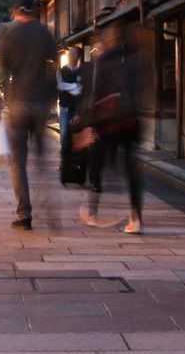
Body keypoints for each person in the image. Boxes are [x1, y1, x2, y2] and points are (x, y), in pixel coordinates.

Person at [0, 0, 57, 231]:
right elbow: (53, 68)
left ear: (16, 10)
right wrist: (52, 97)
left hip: (18, 102)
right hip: (40, 103)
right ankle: (51, 209)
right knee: (41, 158)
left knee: (18, 161)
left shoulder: (8, 33)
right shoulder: (45, 34)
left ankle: (24, 214)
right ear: (34, 10)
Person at [75, 24, 143, 234]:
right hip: (131, 120)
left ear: (107, 41)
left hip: (109, 121)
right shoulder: (134, 59)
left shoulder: (104, 61)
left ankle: (93, 213)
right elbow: (138, 90)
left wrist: (88, 125)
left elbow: (98, 95)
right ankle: (136, 217)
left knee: (96, 164)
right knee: (131, 169)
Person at [57, 46, 85, 153]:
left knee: (76, 134)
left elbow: (81, 89)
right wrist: (75, 86)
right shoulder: (61, 71)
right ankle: (64, 155)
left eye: (75, 53)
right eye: (71, 53)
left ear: (78, 56)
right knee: (64, 132)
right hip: (64, 108)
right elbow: (60, 86)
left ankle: (73, 157)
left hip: (77, 108)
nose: (73, 55)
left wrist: (68, 87)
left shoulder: (81, 71)